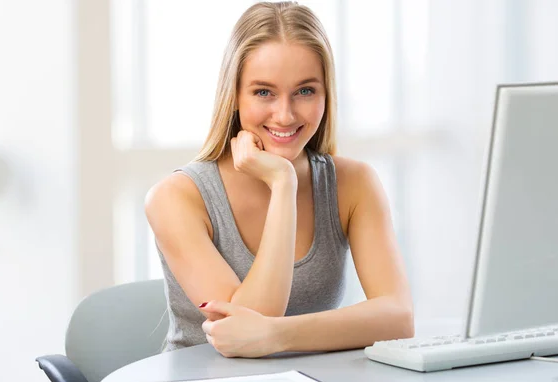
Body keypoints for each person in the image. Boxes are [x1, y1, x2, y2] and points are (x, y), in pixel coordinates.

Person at [145, 1, 414, 358]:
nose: (285, 115)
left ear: (325, 95)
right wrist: (284, 184)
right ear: (235, 96)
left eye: (305, 91)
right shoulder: (176, 197)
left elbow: (398, 318)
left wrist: (279, 335)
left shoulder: (355, 184)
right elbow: (245, 333)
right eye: (263, 92)